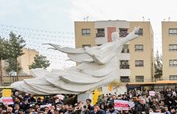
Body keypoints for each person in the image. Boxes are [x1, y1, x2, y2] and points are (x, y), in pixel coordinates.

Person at [11, 28, 140, 94]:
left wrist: (133, 34)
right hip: (96, 70)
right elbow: (90, 54)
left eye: (116, 36)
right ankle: (35, 83)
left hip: (104, 72)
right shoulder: (108, 46)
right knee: (67, 76)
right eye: (114, 36)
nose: (115, 37)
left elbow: (103, 57)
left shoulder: (114, 47)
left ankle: (37, 83)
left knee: (68, 77)